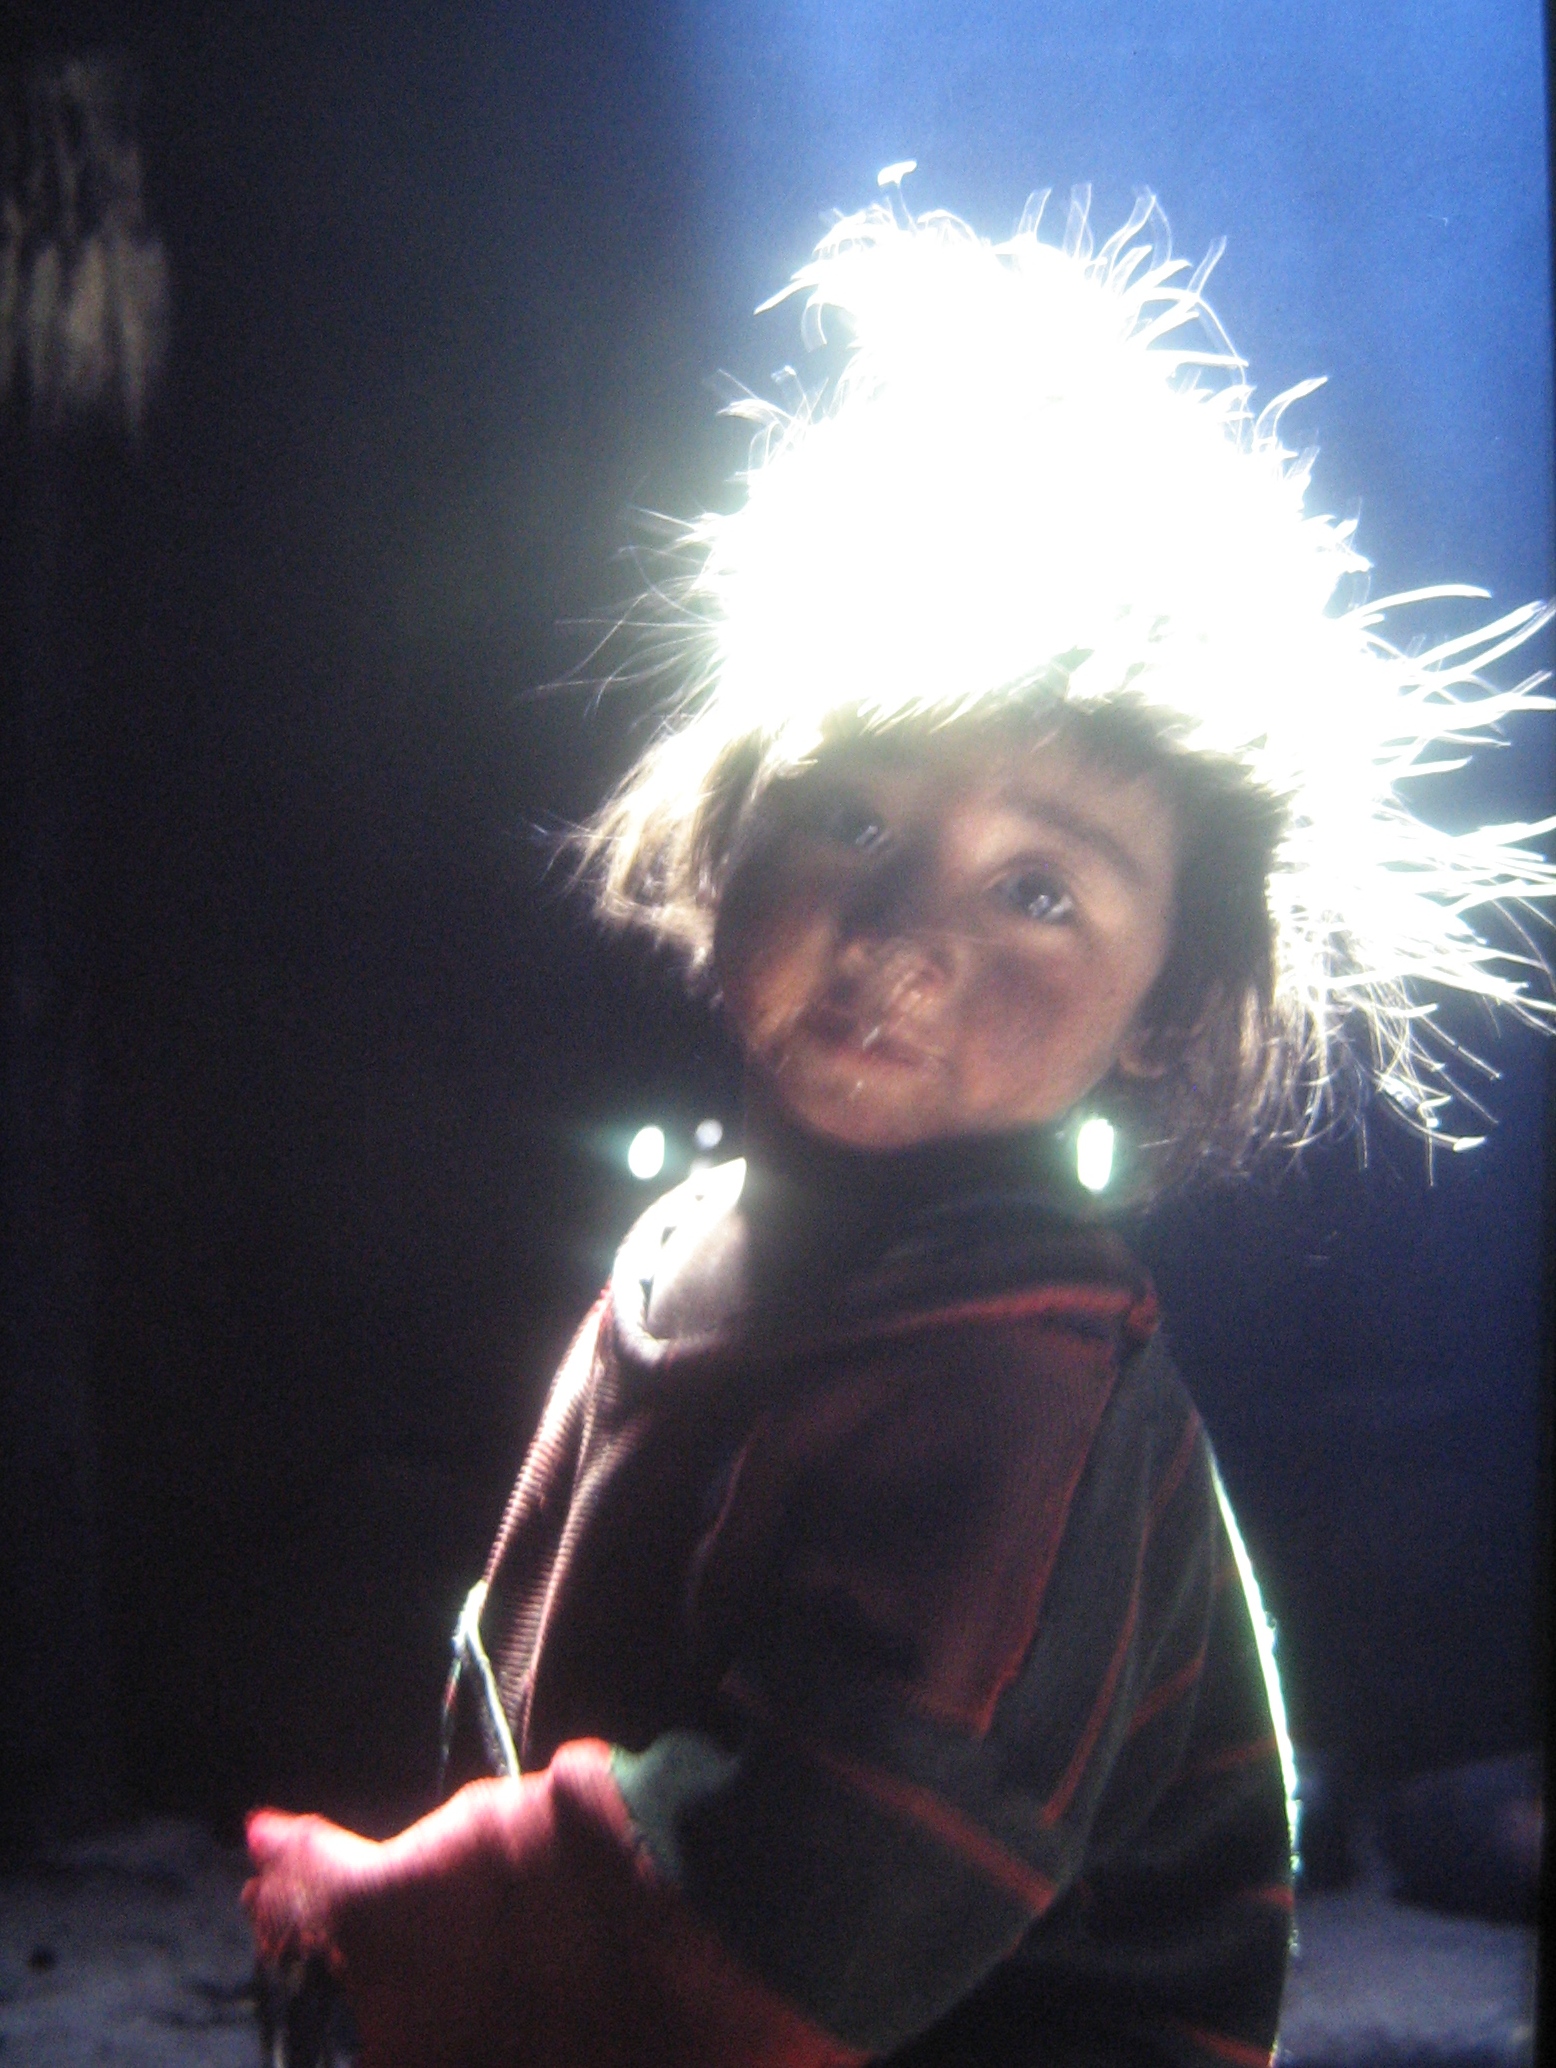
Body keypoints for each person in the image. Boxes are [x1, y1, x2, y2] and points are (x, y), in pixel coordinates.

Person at [244, 180, 1554, 2067]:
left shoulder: (1022, 1377)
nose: (903, 939)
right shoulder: (691, 1250)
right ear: (729, 828)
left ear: (1160, 1004)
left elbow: (809, 1907)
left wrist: (413, 1918)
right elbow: (540, 1670)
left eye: (1041, 891)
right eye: (854, 815)